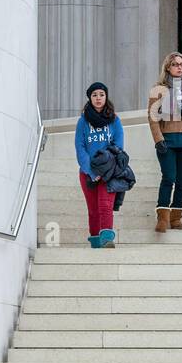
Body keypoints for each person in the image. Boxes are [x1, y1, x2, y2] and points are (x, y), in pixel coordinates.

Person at [147, 51, 182, 233]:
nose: (179, 67)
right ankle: (162, 217)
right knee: (168, 177)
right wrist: (158, 139)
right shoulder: (158, 89)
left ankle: (176, 217)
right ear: (168, 68)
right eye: (175, 64)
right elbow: (152, 117)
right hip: (167, 139)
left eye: (181, 64)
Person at [75, 82, 124, 247]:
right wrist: (90, 171)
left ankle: (107, 239)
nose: (98, 98)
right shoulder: (83, 121)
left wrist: (104, 170)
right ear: (90, 97)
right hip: (88, 173)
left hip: (109, 172)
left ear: (106, 97)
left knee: (105, 205)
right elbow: (80, 147)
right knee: (93, 209)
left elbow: (118, 146)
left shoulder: (115, 120)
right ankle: (96, 242)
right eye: (94, 95)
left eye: (101, 95)